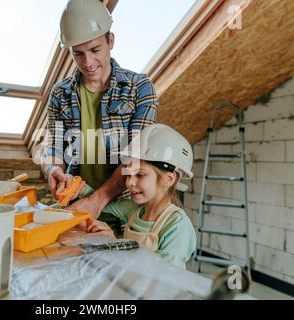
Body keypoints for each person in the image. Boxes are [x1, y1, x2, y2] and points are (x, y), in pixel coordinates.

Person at [41, 0, 158, 232]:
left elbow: (135, 155)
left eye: (95, 50)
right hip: (77, 207)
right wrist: (52, 170)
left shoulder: (139, 88)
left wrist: (98, 199)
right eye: (79, 54)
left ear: (110, 41)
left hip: (127, 211)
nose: (88, 62)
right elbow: (53, 148)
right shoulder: (60, 93)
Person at [87, 124, 197, 269]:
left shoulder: (177, 227)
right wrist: (79, 187)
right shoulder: (135, 211)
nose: (129, 182)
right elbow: (100, 202)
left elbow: (164, 278)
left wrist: (116, 245)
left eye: (140, 174)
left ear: (168, 179)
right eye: (128, 174)